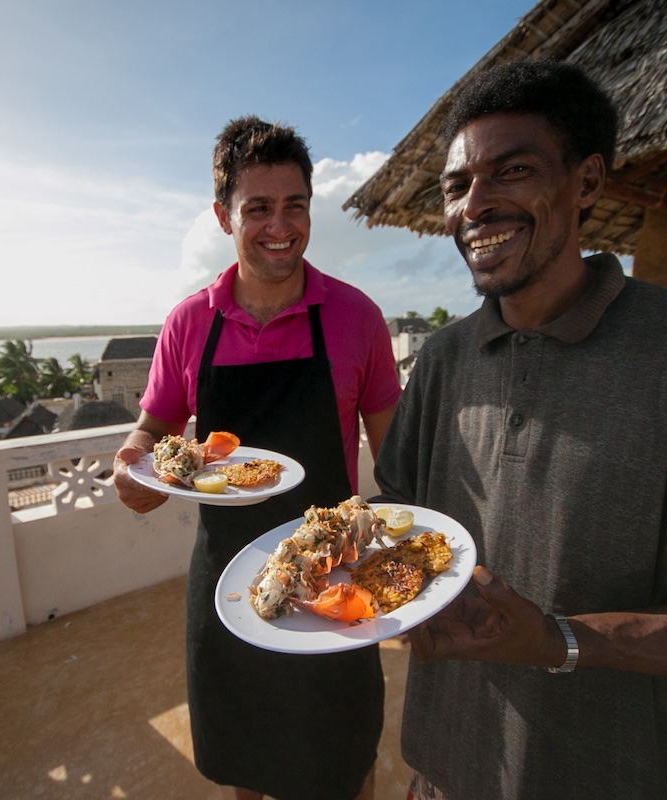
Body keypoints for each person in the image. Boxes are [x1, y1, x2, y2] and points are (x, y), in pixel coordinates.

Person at [373, 61, 667, 800]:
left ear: (586, 182)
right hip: (450, 761)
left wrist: (556, 639)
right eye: (457, 186)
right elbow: (402, 517)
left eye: (514, 170)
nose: (476, 205)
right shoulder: (441, 359)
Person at [113, 115, 402, 800]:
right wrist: (133, 468)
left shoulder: (355, 316)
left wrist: (404, 570)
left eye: (295, 206)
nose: (281, 226)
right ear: (223, 216)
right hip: (229, 583)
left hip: (334, 576)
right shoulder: (191, 323)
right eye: (259, 208)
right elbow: (151, 432)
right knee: (248, 762)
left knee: (342, 758)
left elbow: (398, 461)